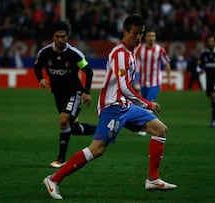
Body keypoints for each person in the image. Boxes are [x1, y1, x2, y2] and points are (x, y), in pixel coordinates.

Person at [43, 14, 176, 200]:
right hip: (112, 107)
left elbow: (125, 87)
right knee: (97, 149)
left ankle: (152, 178)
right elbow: (123, 87)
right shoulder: (120, 53)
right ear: (125, 32)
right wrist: (148, 104)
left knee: (160, 130)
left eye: (141, 34)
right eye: (135, 33)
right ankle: (54, 179)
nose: (138, 38)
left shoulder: (130, 52)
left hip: (126, 106)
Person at [34, 21, 97, 168]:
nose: (60, 39)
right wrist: (41, 78)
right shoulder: (45, 52)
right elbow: (37, 67)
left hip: (74, 92)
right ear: (53, 37)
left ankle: (61, 159)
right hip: (57, 94)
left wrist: (86, 92)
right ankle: (101, 130)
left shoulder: (74, 54)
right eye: (58, 36)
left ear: (68, 36)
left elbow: (88, 71)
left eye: (63, 36)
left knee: (63, 120)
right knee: (73, 128)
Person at [133, 26, 172, 136]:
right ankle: (151, 126)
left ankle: (146, 128)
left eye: (153, 36)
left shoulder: (160, 50)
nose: (151, 38)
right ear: (145, 37)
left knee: (149, 105)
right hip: (142, 83)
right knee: (142, 106)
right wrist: (134, 79)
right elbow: (134, 64)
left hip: (155, 83)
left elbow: (167, 64)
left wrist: (169, 79)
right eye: (149, 36)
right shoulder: (140, 49)